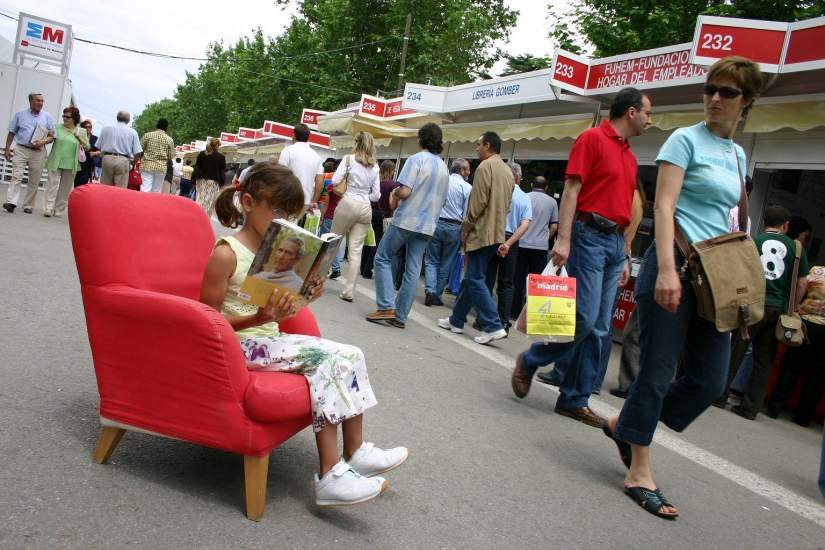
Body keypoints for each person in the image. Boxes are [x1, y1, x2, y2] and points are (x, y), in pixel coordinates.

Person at [600, 57, 763, 520]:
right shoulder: (684, 139)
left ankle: (625, 424)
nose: (714, 98)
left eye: (726, 92)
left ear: (745, 102)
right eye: (710, 89)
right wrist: (668, 271)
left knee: (710, 381)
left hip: (715, 276)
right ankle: (639, 470)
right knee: (654, 372)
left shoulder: (737, 154)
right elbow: (665, 207)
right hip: (674, 266)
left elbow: (731, 219)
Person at [200, 161, 407, 507]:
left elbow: (281, 313)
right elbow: (205, 321)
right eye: (278, 211)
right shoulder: (226, 253)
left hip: (266, 342)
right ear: (248, 204)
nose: (286, 223)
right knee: (322, 360)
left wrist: (305, 295)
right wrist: (257, 318)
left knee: (351, 352)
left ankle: (355, 452)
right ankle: (330, 475)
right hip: (238, 346)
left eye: (290, 215)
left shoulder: (275, 256)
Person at [511, 87, 651, 428]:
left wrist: (625, 254)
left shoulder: (631, 156)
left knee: (601, 328)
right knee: (586, 318)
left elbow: (626, 210)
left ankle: (574, 398)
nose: (650, 119)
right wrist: (564, 238)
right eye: (647, 112)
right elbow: (572, 190)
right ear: (631, 111)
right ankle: (531, 361)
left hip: (614, 243)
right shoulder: (591, 138)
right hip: (588, 237)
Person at [721, 206, 809, 420]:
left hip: (751, 303)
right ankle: (750, 408)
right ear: (786, 225)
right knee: (764, 359)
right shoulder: (796, 249)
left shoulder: (753, 241)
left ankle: (719, 395)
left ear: (764, 222)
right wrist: (793, 307)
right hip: (777, 308)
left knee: (736, 351)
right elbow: (802, 282)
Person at [367, 123, 450, 329]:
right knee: (412, 269)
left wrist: (395, 193)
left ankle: (386, 305)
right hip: (428, 224)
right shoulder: (444, 167)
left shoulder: (416, 160)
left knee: (383, 257)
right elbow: (444, 200)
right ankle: (400, 316)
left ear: (421, 139)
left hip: (408, 219)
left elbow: (404, 191)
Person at [437, 131, 514, 344]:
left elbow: (477, 204)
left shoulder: (485, 167)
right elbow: (506, 206)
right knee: (473, 276)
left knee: (474, 278)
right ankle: (457, 319)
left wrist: (466, 228)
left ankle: (493, 324)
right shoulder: (507, 170)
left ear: (488, 145)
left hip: (481, 231)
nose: (476, 148)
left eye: (478, 144)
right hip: (497, 232)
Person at [766, 264, 824, 426]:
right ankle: (803, 417)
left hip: (809, 324)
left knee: (792, 366)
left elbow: (802, 286)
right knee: (818, 375)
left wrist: (796, 308)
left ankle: (774, 408)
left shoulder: (817, 271)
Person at [330, 132, 381, 302]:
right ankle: (349, 291)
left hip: (348, 202)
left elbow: (335, 181)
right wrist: (364, 195)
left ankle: (315, 280)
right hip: (366, 208)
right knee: (355, 251)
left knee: (332, 242)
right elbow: (376, 195)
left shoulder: (348, 159)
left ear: (356, 143)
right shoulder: (375, 166)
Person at [482, 161, 532, 332]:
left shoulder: (497, 192)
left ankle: (484, 318)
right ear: (517, 177)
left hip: (493, 236)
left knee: (488, 278)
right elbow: (525, 225)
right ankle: (503, 321)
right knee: (507, 282)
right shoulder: (525, 197)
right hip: (512, 240)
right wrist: (509, 244)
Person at [424, 158, 472, 306]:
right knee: (446, 263)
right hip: (454, 227)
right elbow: (466, 213)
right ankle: (437, 295)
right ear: (461, 170)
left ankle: (430, 289)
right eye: (468, 169)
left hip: (437, 223)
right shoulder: (467, 187)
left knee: (431, 260)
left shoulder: (441, 181)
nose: (469, 172)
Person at [511, 176, 558, 319]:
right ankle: (532, 315)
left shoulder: (525, 197)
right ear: (547, 187)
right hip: (540, 248)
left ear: (531, 184)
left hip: (522, 243)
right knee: (536, 282)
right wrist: (545, 238)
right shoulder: (552, 202)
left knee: (517, 278)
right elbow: (554, 226)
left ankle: (514, 312)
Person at [3, 92, 55, 214]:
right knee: (16, 175)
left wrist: (43, 141)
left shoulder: (47, 117)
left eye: (42, 101)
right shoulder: (20, 114)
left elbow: (52, 136)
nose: (40, 103)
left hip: (38, 152)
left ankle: (28, 205)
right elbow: (11, 132)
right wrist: (7, 148)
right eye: (37, 100)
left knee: (34, 180)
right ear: (30, 101)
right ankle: (11, 202)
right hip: (21, 149)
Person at [43, 106, 90, 218]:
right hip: (56, 160)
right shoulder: (57, 127)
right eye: (63, 116)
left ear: (74, 118)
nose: (64, 118)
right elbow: (50, 139)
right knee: (52, 185)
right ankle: (48, 208)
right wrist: (44, 139)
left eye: (67, 117)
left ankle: (58, 209)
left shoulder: (81, 131)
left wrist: (79, 138)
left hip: (71, 163)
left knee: (65, 188)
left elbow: (88, 147)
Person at [361, 160, 399, 279]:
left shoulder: (376, 182)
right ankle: (367, 270)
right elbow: (393, 203)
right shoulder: (394, 185)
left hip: (371, 212)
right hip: (384, 216)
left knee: (368, 240)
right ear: (391, 171)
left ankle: (363, 268)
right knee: (377, 243)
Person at [278, 123, 324, 213]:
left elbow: (279, 175)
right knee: (292, 224)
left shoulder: (288, 151)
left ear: (293, 135)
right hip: (305, 202)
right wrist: (314, 201)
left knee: (282, 225)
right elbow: (319, 181)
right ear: (308, 137)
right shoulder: (317, 156)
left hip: (287, 198)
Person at [96, 111, 142, 188]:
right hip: (123, 160)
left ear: (117, 118)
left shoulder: (106, 129)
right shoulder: (132, 132)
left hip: (107, 158)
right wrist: (132, 163)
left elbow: (98, 146)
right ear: (128, 120)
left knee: (105, 187)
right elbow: (138, 152)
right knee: (120, 189)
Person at [319, 159, 344, 279]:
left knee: (325, 242)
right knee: (335, 244)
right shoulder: (347, 186)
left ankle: (320, 268)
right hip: (341, 218)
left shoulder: (330, 184)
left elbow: (326, 204)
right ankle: (336, 268)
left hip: (329, 216)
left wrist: (321, 217)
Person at [139, 118, 174, 193]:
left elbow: (139, 149)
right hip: (161, 167)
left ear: (157, 125)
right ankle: (153, 204)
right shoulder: (169, 140)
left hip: (147, 165)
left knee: (145, 188)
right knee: (157, 191)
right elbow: (171, 156)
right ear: (166, 127)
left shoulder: (147, 135)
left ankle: (143, 204)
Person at [193, 137, 226, 217]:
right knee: (209, 201)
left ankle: (196, 214)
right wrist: (222, 183)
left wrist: (193, 179)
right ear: (217, 146)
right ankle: (205, 218)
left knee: (200, 198)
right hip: (213, 182)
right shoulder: (221, 157)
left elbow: (197, 167)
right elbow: (222, 171)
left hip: (200, 180)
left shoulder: (202, 154)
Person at [74, 119, 99, 187]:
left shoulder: (95, 138)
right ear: (82, 128)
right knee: (76, 180)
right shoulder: (78, 136)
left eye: (90, 127)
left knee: (84, 181)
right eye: (86, 127)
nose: (88, 128)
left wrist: (94, 153)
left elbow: (100, 151)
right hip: (78, 161)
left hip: (88, 163)